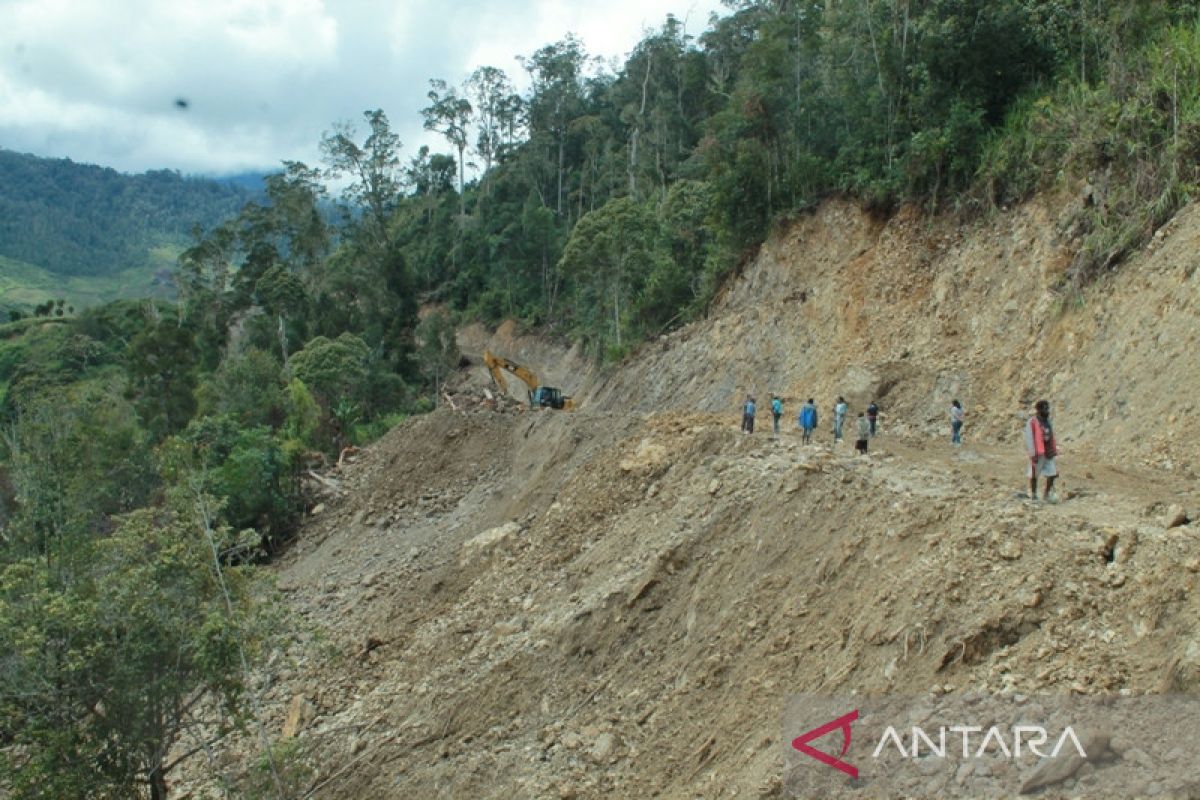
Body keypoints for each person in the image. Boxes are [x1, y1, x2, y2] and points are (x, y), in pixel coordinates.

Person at [1024, 399, 1059, 502]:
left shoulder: (1047, 421)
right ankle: (1034, 494)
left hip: (1048, 452)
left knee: (1052, 474)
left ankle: (1046, 494)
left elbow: (1051, 435)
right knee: (1034, 474)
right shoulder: (1032, 422)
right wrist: (1032, 453)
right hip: (1037, 452)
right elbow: (1029, 438)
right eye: (1045, 408)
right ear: (1039, 410)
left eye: (1047, 408)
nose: (1047, 410)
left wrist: (1054, 449)